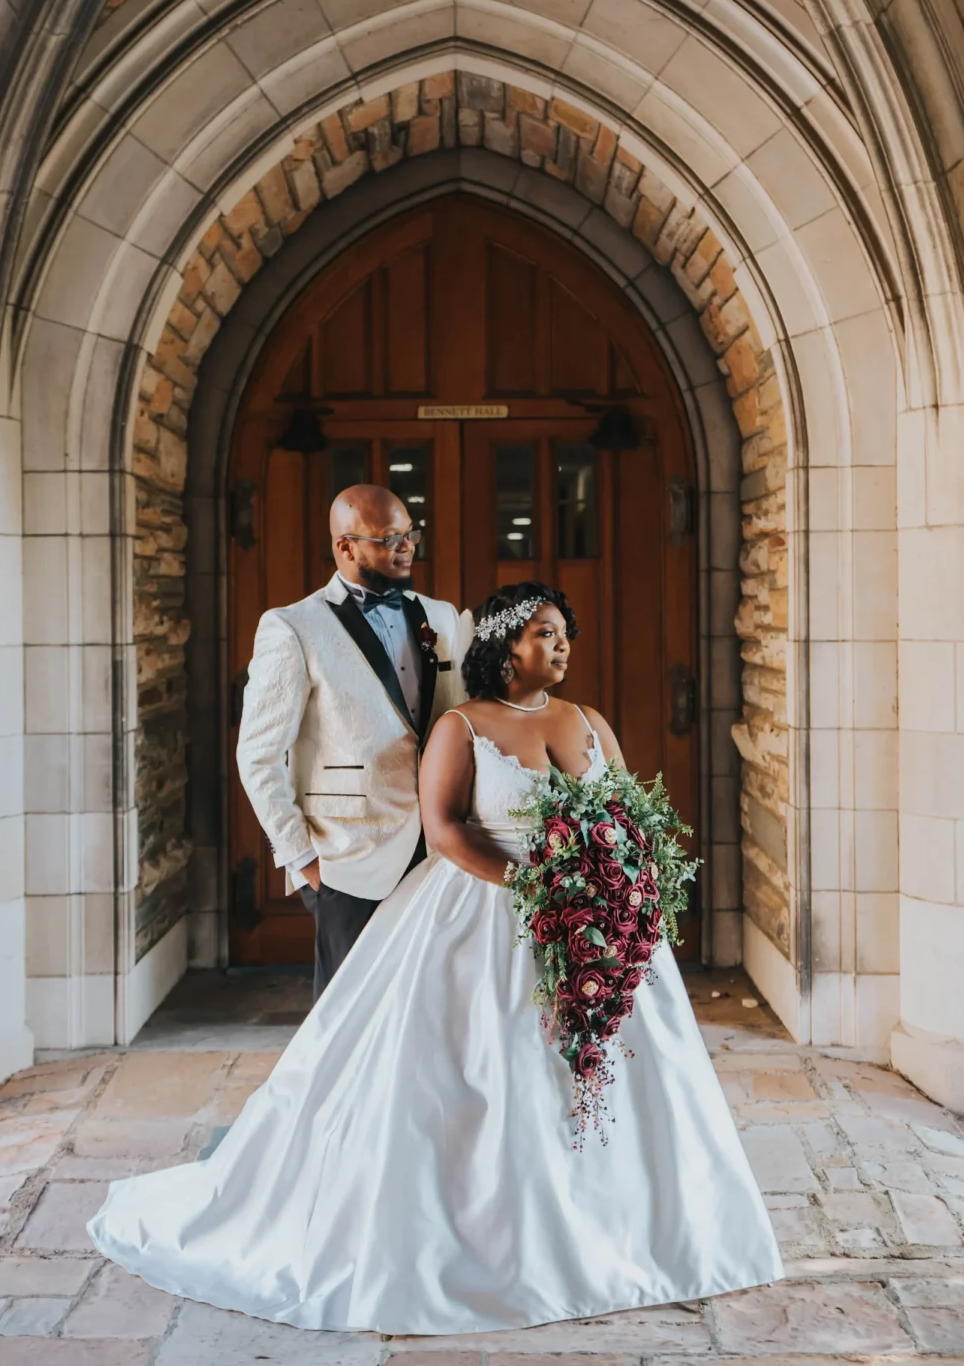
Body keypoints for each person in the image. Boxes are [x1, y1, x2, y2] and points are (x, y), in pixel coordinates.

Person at [89, 581, 783, 1333]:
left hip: (595, 920)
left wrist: (624, 883)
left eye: (564, 634)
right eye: (545, 634)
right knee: (481, 1072)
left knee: (615, 1068)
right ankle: (492, 1242)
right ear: (504, 645)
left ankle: (628, 1233)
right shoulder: (461, 725)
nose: (561, 648)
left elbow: (624, 812)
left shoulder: (587, 720)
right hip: (486, 910)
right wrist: (537, 889)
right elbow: (446, 829)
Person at [235, 482, 469, 996]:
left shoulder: (442, 617)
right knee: (348, 1016)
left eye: (410, 535)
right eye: (389, 539)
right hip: (347, 857)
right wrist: (303, 860)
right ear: (346, 547)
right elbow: (257, 757)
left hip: (438, 849)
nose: (405, 547)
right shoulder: (292, 627)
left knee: (429, 1004)